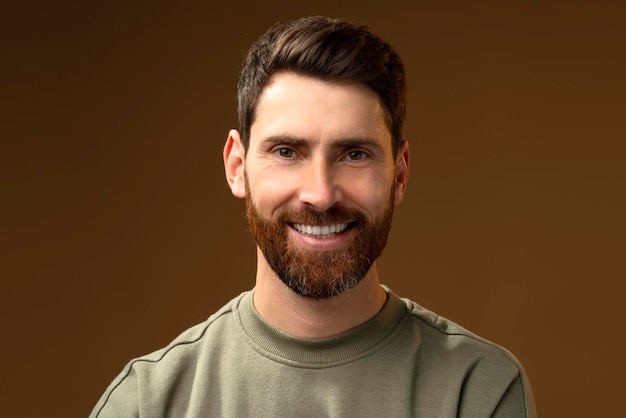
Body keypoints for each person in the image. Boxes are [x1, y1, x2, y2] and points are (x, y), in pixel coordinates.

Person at [91, 16, 536, 417]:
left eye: (354, 154)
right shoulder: (147, 403)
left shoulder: (478, 391)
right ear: (236, 167)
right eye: (287, 152)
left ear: (399, 175)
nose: (320, 194)